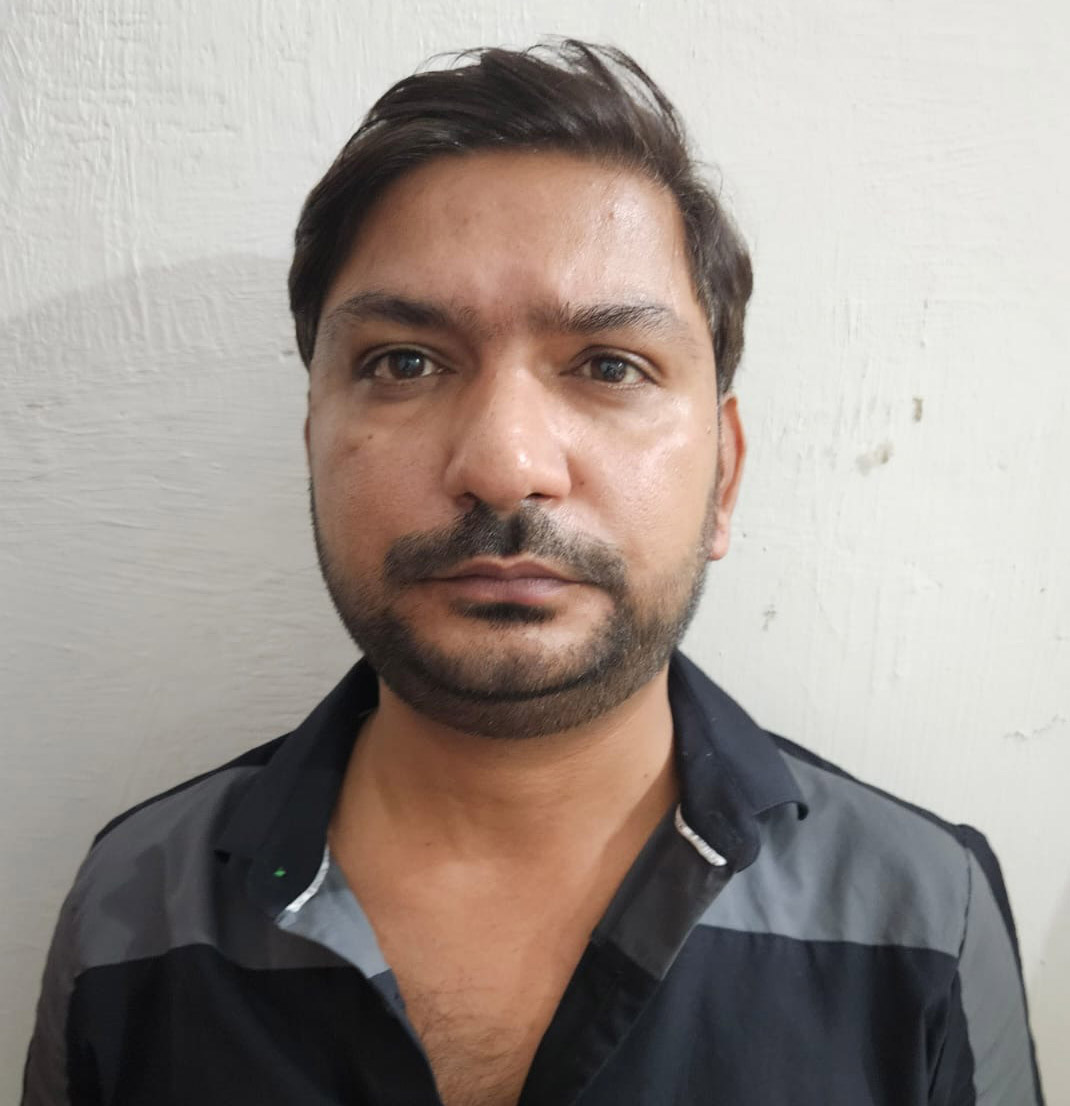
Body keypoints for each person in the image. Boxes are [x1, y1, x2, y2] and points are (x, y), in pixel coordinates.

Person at [22, 39, 1044, 1106]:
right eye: (404, 361)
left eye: (610, 366)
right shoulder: (134, 905)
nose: (506, 464)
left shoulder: (925, 911)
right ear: (314, 442)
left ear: (724, 477)